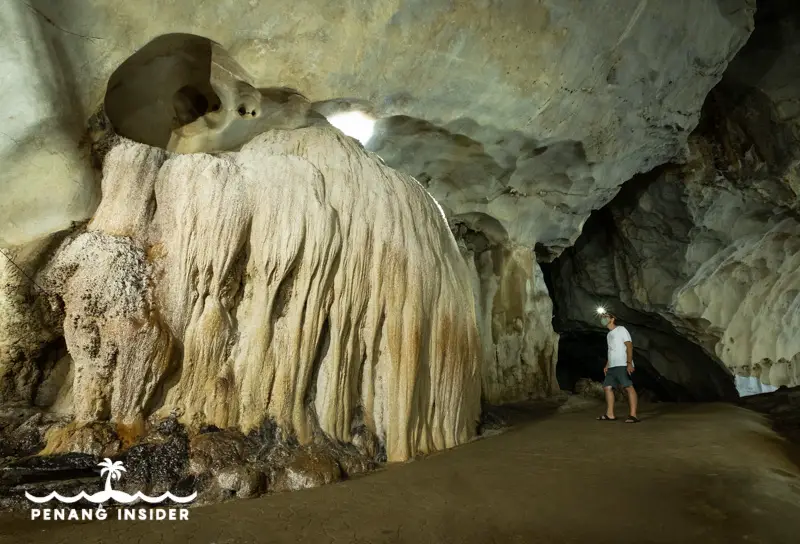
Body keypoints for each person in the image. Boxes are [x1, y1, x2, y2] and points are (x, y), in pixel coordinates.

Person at [596, 313, 640, 423]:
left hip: (622, 363)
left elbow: (629, 345)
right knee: (607, 387)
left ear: (612, 318)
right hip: (612, 365)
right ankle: (610, 414)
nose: (603, 318)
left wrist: (629, 363)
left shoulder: (621, 329)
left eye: (606, 316)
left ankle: (633, 415)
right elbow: (611, 350)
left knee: (628, 387)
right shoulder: (609, 334)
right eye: (602, 317)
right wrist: (607, 364)